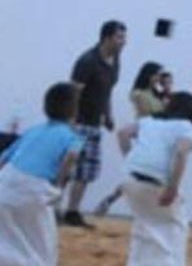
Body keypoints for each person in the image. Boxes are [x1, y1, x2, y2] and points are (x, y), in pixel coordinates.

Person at [115, 91, 192, 265]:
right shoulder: (187, 126)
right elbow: (180, 152)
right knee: (172, 229)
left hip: (130, 179)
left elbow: (123, 133)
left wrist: (131, 159)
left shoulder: (149, 121)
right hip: (155, 181)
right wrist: (173, 187)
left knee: (143, 226)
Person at [0, 84, 82, 265]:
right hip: (34, 189)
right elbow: (71, 156)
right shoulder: (71, 136)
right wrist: (59, 187)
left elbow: (4, 158)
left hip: (5, 184)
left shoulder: (32, 131)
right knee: (43, 244)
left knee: (6, 241)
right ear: (74, 111)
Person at [63, 18, 125, 229]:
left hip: (94, 124)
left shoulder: (115, 61)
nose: (123, 42)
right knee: (66, 168)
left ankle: (72, 211)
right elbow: (74, 91)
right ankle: (52, 209)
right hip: (78, 123)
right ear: (106, 38)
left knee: (86, 171)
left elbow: (107, 91)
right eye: (119, 37)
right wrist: (70, 121)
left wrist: (108, 115)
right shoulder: (88, 61)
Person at [94, 61, 170, 217]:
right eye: (156, 75)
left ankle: (112, 199)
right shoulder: (138, 93)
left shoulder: (157, 94)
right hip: (147, 137)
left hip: (158, 138)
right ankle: (113, 200)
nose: (158, 78)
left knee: (141, 176)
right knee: (142, 175)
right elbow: (150, 112)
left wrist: (166, 90)